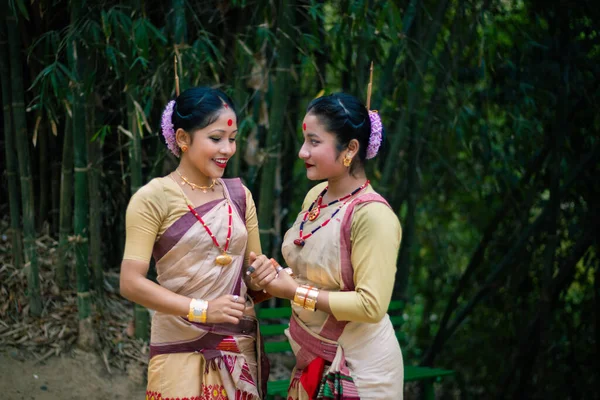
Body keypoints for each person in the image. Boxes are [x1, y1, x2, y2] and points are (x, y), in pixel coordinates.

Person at [120, 86, 276, 400]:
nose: (228, 149)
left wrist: (264, 274)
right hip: (180, 348)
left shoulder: (239, 196)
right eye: (216, 138)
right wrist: (202, 309)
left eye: (232, 140)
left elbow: (251, 274)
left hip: (237, 348)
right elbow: (131, 282)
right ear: (182, 139)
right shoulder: (154, 198)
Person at [256, 92, 404, 399]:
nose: (302, 152)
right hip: (313, 358)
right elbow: (310, 270)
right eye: (304, 140)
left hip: (359, 370)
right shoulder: (316, 196)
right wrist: (272, 279)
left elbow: (372, 306)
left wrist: (294, 292)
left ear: (350, 148)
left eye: (314, 141)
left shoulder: (373, 216)